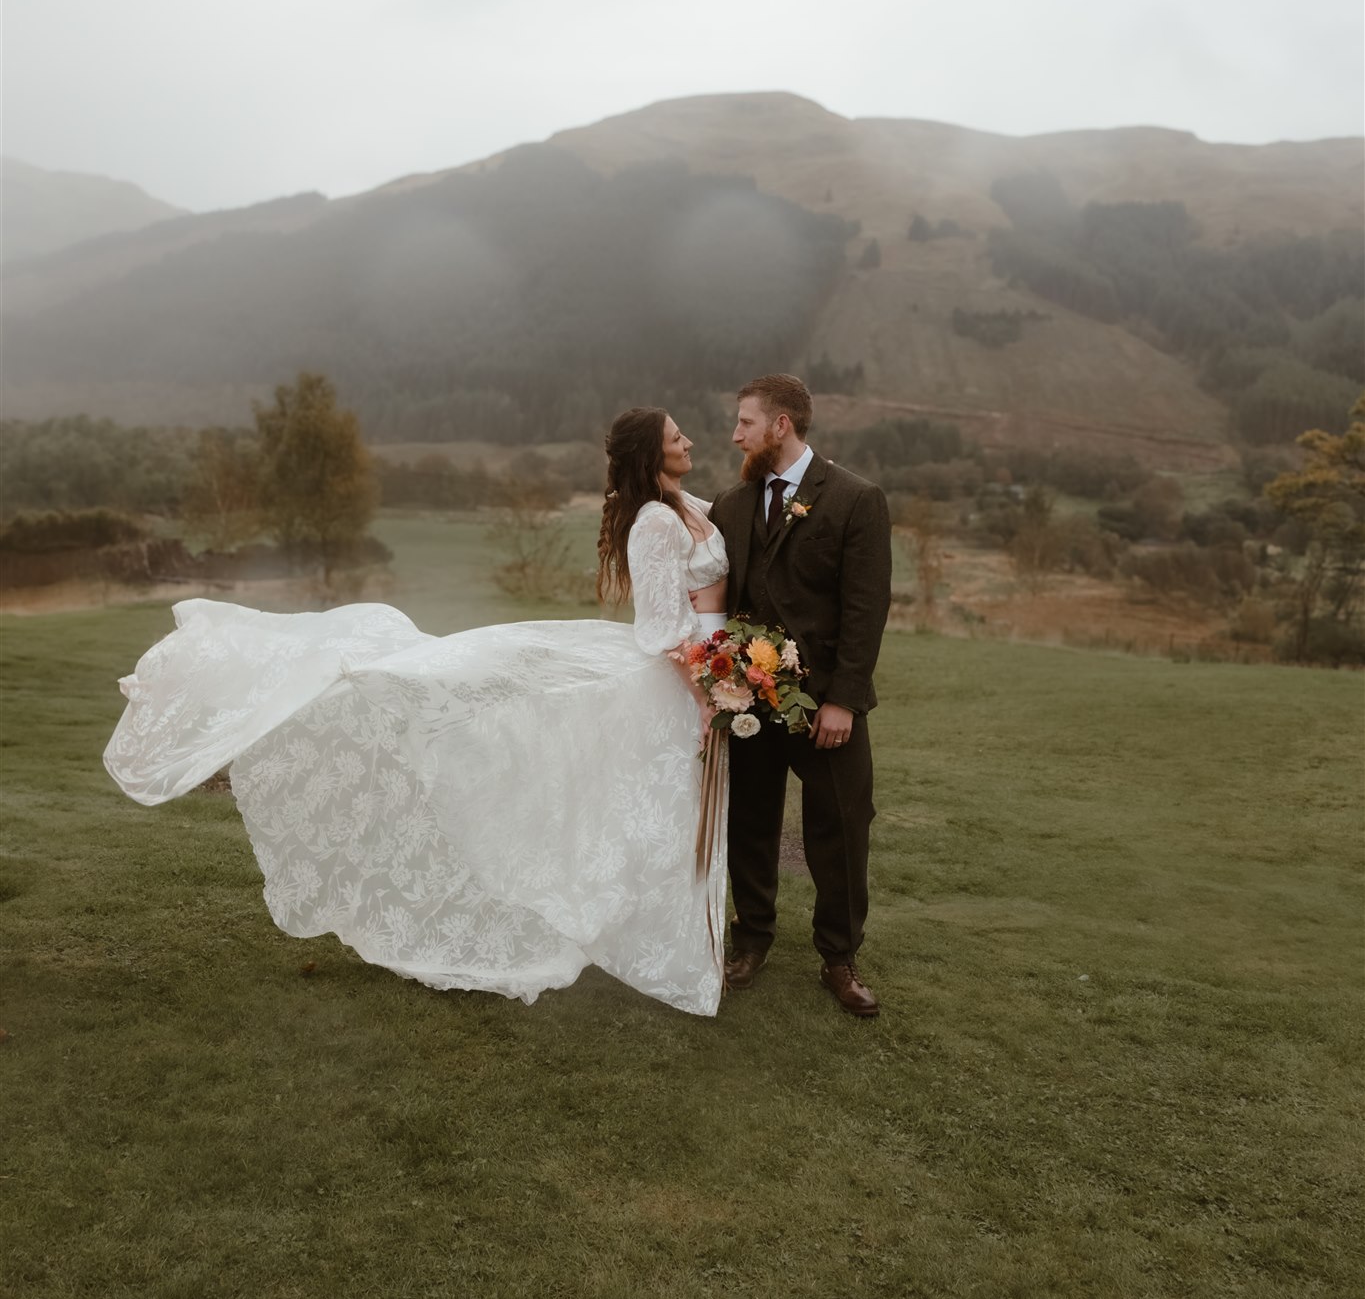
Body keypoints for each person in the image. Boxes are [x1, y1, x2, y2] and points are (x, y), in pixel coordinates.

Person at [103, 409, 728, 1017]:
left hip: (696, 670)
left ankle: (665, 924)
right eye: (678, 437)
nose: (690, 441)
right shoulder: (652, 520)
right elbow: (661, 627)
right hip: (673, 674)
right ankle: (278, 683)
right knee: (472, 701)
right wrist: (708, 690)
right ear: (653, 455)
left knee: (643, 807)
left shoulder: (684, 505)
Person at [708, 374, 892, 1016]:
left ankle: (839, 959)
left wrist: (842, 699)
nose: (735, 434)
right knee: (750, 824)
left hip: (827, 706)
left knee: (841, 829)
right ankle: (751, 939)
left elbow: (866, 608)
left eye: (745, 422)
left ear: (780, 425)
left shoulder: (854, 499)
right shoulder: (729, 507)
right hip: (749, 703)